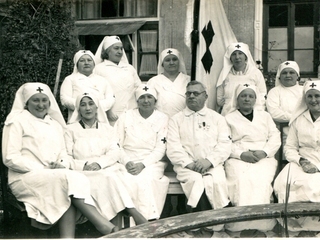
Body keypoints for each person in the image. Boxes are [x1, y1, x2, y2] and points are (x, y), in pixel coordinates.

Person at [2, 82, 118, 238]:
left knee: (66, 190)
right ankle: (103, 225)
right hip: (25, 177)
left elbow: (63, 153)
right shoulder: (16, 121)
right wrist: (42, 169)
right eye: (35, 100)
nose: (41, 104)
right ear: (26, 102)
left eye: (44, 100)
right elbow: (10, 157)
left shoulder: (54, 124)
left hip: (53, 175)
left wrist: (61, 164)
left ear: (50, 102)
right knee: (69, 178)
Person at [64, 92, 148, 227]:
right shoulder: (70, 130)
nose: (88, 108)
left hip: (105, 167)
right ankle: (132, 212)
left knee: (114, 177)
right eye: (83, 105)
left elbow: (115, 151)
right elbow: (66, 156)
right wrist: (84, 165)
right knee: (108, 179)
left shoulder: (108, 129)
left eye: (91, 104)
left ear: (97, 108)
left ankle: (119, 227)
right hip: (82, 172)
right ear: (78, 109)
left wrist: (99, 163)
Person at [224, 83, 281, 233]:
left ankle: (263, 224)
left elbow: (275, 137)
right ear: (237, 99)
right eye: (243, 96)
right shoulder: (228, 118)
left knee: (260, 179)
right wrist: (241, 154)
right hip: (237, 156)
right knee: (242, 180)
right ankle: (239, 224)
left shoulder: (265, 116)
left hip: (263, 156)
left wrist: (265, 152)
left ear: (255, 98)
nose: (247, 99)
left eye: (250, 96)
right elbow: (224, 142)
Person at [167, 80, 231, 212]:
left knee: (216, 182)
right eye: (188, 93)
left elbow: (224, 145)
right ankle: (205, 227)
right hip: (186, 167)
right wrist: (189, 164)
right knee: (197, 182)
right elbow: (173, 147)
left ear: (205, 96)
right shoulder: (176, 119)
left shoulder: (217, 118)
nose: (191, 96)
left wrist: (209, 161)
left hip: (212, 165)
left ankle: (217, 224)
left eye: (196, 93)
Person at [114, 84, 170, 221]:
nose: (146, 101)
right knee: (124, 179)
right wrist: (127, 162)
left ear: (155, 100)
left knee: (146, 180)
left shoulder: (163, 118)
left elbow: (160, 148)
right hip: (126, 160)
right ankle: (129, 223)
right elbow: (116, 144)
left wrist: (143, 164)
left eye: (150, 97)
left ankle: (148, 221)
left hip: (152, 162)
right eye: (142, 97)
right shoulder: (126, 116)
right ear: (137, 100)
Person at [273, 80, 320, 232]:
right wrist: (302, 161)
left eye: (317, 96)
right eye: (310, 96)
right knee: (284, 183)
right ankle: (295, 228)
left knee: (314, 186)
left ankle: (314, 228)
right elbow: (290, 148)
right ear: (304, 99)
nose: (313, 100)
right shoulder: (298, 119)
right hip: (302, 162)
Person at [94, 36, 141, 125]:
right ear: (107, 51)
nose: (120, 52)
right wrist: (107, 110)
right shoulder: (99, 69)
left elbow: (138, 88)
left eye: (121, 49)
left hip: (132, 112)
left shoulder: (129, 68)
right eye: (116, 48)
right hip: (112, 115)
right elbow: (97, 93)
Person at [60, 50, 115, 121]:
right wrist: (83, 106)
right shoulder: (70, 79)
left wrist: (95, 106)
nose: (86, 63)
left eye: (89, 60)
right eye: (82, 61)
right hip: (77, 120)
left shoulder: (103, 80)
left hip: (100, 119)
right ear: (77, 64)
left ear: (94, 63)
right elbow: (64, 99)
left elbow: (110, 99)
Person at [216, 42, 267, 116]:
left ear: (245, 56)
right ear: (230, 58)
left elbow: (262, 95)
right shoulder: (225, 74)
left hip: (251, 114)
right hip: (229, 114)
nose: (237, 57)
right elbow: (219, 99)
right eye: (234, 54)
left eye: (240, 53)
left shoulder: (255, 73)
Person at [266, 61, 303, 159]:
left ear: (297, 75)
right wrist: (298, 117)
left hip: (304, 128)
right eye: (284, 73)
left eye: (291, 72)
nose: (288, 75)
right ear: (279, 76)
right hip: (283, 129)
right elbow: (274, 113)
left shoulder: (304, 90)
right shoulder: (274, 92)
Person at [147, 48, 190, 117]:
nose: (171, 63)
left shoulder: (189, 80)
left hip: (184, 120)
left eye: (174, 59)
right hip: (161, 121)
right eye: (167, 60)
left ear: (179, 62)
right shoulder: (153, 81)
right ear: (162, 64)